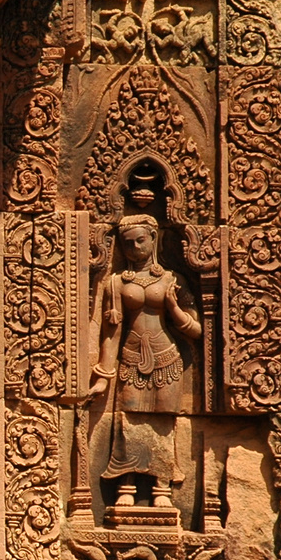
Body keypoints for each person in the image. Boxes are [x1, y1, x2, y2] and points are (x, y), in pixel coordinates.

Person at [88, 213, 201, 508]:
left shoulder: (172, 280)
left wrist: (173, 306)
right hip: (132, 358)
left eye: (141, 240)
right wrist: (103, 375)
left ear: (154, 239)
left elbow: (196, 328)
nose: (135, 247)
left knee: (163, 421)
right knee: (130, 419)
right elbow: (112, 333)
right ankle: (126, 485)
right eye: (128, 244)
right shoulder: (116, 283)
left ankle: (161, 487)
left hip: (167, 359)